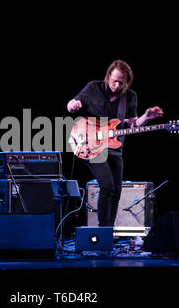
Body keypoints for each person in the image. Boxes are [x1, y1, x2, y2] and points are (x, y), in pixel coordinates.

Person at [66, 59, 163, 226]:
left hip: (115, 148)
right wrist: (73, 105)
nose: (117, 85)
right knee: (107, 185)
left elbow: (132, 124)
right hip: (90, 144)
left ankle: (108, 231)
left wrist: (147, 117)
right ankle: (103, 231)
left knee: (116, 191)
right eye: (114, 81)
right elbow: (72, 105)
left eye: (121, 82)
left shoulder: (130, 97)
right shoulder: (93, 88)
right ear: (108, 76)